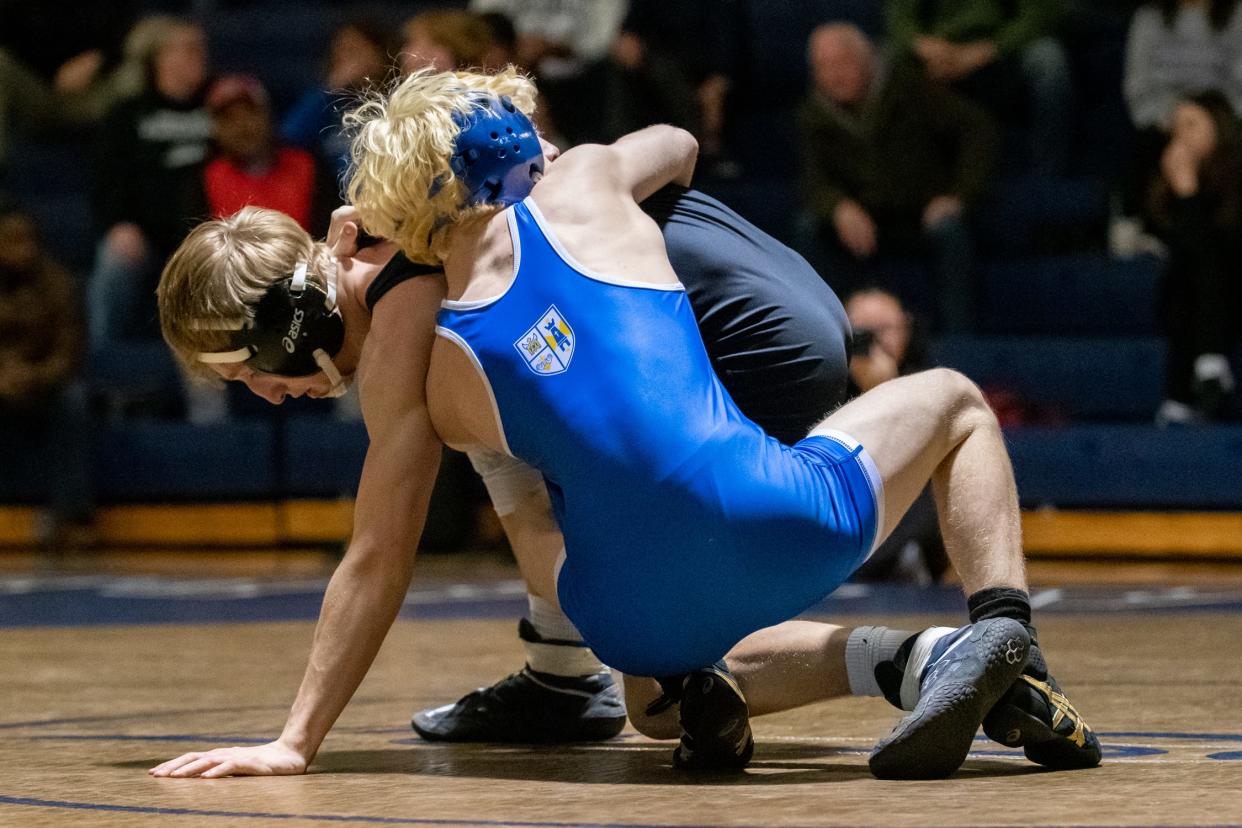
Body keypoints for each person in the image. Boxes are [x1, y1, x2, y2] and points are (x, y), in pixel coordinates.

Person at [150, 69, 1097, 781]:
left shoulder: (427, 356)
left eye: (253, 376)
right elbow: (678, 142)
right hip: (781, 496)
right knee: (956, 400)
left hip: (629, 603)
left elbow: (390, 554)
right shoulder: (586, 185)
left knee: (595, 586)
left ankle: (628, 675)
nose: (264, 398)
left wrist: (292, 742)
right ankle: (996, 635)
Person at [797, 24, 998, 333]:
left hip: (922, 214)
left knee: (951, 233)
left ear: (866, 61)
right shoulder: (813, 116)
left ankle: (961, 342)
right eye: (824, 68)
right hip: (863, 225)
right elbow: (812, 180)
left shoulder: (908, 87)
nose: (835, 76)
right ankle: (831, 339)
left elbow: (977, 127)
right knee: (810, 228)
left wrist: (959, 195)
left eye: (843, 64)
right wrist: (837, 206)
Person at [89, 16, 211, 344]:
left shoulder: (220, 106)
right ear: (160, 57)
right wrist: (119, 223)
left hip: (208, 239)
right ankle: (100, 363)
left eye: (202, 49)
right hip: (146, 238)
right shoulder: (128, 115)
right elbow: (108, 179)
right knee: (114, 259)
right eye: (189, 49)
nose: (200, 56)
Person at [886, 0, 1073, 177]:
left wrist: (991, 49)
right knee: (885, 62)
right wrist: (921, 44)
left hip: (1001, 45)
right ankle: (912, 183)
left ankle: (1048, 176)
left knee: (1049, 59)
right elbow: (898, 19)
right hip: (938, 50)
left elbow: (1038, 14)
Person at [0, 202, 93, 550]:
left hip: (42, 386)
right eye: (9, 240)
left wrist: (31, 377)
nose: (19, 249)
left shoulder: (60, 284)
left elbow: (69, 354)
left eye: (26, 239)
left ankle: (72, 514)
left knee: (74, 401)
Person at [1147, 91, 1242, 423]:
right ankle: (1207, 366)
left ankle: (1186, 388)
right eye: (1176, 129)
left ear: (1220, 129)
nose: (1180, 137)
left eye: (1191, 125)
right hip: (1192, 304)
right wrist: (1186, 193)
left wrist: (1188, 194)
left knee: (1212, 264)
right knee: (1187, 276)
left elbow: (1220, 253)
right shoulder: (1171, 185)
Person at [844, 288, 946, 584]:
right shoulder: (821, 380)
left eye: (885, 329)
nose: (876, 341)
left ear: (905, 329)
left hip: (908, 513)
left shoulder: (927, 379)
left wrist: (884, 390)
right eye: (864, 331)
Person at [1118, 0, 1242, 232]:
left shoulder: (1237, 14)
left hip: (1221, 118)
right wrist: (1176, 118)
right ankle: (1138, 225)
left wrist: (1212, 120)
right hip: (1165, 119)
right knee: (1143, 142)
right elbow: (1138, 89)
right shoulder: (1149, 16)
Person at [198, 74, 337, 238]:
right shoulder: (201, 180)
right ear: (216, 130)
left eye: (250, 113)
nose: (243, 126)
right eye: (229, 118)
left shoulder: (309, 166)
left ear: (268, 115)